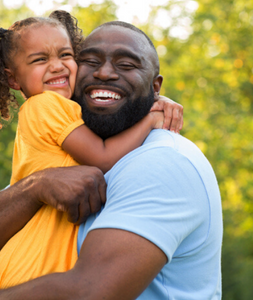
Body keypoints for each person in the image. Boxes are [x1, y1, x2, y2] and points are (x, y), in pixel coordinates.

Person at [0, 20, 222, 300]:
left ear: (155, 87)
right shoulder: (62, 147)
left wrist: (151, 113)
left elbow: (90, 293)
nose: (104, 73)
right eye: (90, 61)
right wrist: (36, 187)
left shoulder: (163, 162)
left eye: (127, 65)